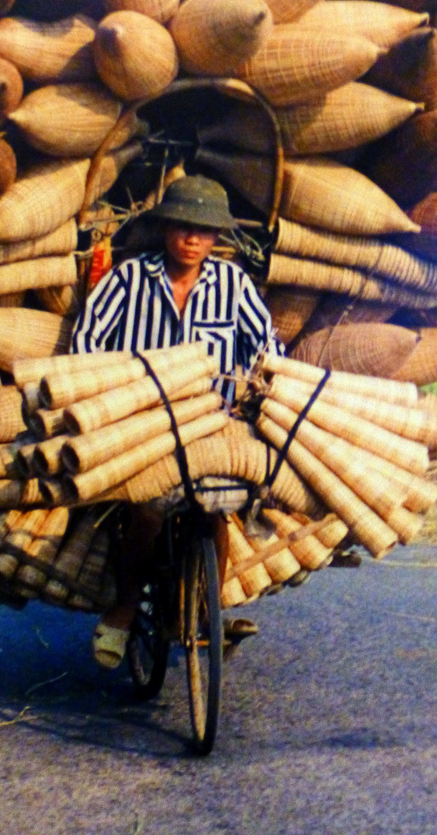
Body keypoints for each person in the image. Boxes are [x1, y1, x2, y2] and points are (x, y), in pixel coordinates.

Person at [69, 175, 282, 667]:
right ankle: (123, 609)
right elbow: (87, 342)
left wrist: (262, 392)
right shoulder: (128, 279)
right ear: (165, 228)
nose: (192, 239)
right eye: (184, 227)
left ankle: (208, 609)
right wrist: (107, 401)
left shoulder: (232, 284)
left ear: (217, 238)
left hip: (215, 423)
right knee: (146, 511)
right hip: (145, 426)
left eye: (204, 231)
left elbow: (268, 347)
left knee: (215, 510)